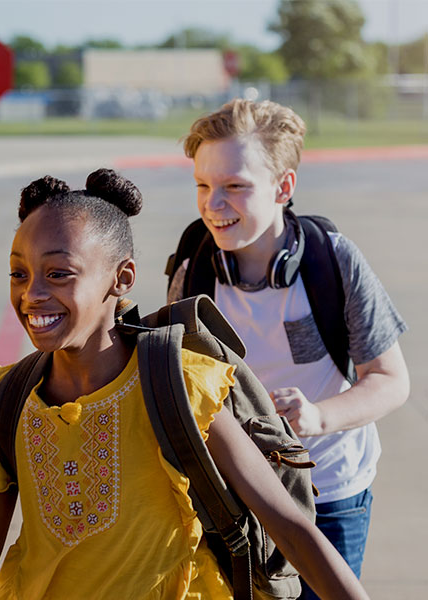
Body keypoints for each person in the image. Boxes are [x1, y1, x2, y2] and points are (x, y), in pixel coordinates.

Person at [0, 169, 369, 599]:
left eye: (58, 274)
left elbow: (293, 530)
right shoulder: (3, 401)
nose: (32, 295)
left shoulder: (177, 386)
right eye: (18, 273)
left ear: (121, 279)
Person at [167, 99, 409, 598]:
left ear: (283, 188)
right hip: (235, 491)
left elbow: (390, 381)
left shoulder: (332, 262)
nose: (214, 203)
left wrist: (315, 418)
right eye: (204, 186)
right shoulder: (194, 267)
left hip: (331, 492)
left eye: (235, 186)